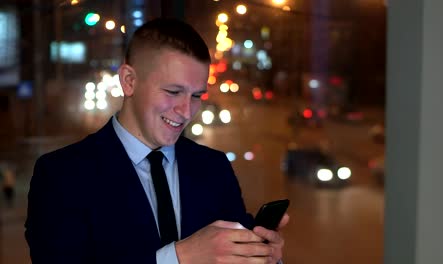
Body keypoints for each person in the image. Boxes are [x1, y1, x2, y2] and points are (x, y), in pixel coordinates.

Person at [25, 17, 289, 264]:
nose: (186, 111)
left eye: (196, 96)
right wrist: (179, 256)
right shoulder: (61, 175)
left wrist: (266, 257)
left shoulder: (214, 167)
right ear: (129, 81)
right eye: (173, 92)